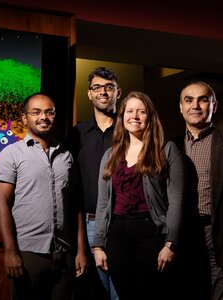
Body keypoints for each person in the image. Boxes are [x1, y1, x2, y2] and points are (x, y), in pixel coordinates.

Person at [0, 93, 88, 300]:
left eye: (49, 112)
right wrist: (10, 251)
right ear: (24, 118)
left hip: (64, 254)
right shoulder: (11, 154)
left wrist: (80, 251)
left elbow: (75, 207)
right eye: (36, 112)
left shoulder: (66, 155)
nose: (43, 117)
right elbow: (1, 204)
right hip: (27, 254)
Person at [92, 91, 186, 300]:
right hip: (117, 235)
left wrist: (171, 244)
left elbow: (177, 201)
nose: (134, 116)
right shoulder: (110, 155)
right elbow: (103, 202)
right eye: (130, 111)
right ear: (122, 115)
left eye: (141, 112)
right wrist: (98, 245)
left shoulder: (167, 150)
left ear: (150, 117)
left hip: (151, 234)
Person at [65, 67, 121, 300]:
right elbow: (72, 187)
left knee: (121, 290)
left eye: (109, 87)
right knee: (94, 292)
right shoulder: (76, 134)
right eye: (97, 87)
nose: (103, 92)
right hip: (88, 224)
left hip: (122, 222)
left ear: (118, 92)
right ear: (89, 94)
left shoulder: (129, 129)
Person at [174, 81, 223, 300]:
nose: (195, 105)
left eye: (203, 99)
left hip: (219, 233)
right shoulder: (170, 147)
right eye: (189, 100)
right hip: (183, 234)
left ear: (214, 106)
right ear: (181, 107)